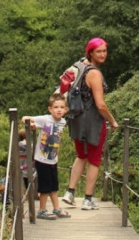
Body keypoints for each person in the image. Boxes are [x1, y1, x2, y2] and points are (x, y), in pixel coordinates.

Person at [60, 37, 118, 211]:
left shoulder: (80, 66)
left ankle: (70, 193)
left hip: (76, 118)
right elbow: (100, 104)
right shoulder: (94, 73)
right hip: (92, 121)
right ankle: (88, 199)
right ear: (90, 52)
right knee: (94, 159)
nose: (103, 54)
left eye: (104, 51)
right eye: (98, 51)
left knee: (81, 155)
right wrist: (112, 120)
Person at [22, 93, 71, 220]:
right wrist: (30, 124)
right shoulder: (45, 119)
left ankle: (57, 208)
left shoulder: (63, 122)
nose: (59, 110)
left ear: (65, 110)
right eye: (55, 107)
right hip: (42, 159)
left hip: (53, 158)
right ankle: (42, 210)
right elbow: (25, 118)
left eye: (61, 107)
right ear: (50, 109)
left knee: (54, 185)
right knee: (45, 187)